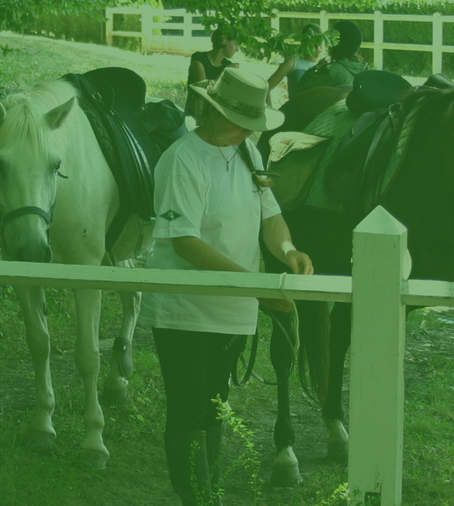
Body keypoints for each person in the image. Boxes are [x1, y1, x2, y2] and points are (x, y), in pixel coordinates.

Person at [145, 67, 314, 506]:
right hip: (185, 308)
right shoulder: (182, 160)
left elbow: (269, 215)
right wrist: (257, 288)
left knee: (215, 405)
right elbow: (186, 243)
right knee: (189, 407)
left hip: (232, 306)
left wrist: (288, 250)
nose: (246, 131)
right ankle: (195, 499)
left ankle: (209, 495)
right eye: (239, 122)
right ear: (210, 109)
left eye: (252, 124)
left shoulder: (249, 154)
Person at [186, 27, 241, 122]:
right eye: (235, 44)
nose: (237, 49)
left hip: (214, 116)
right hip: (194, 115)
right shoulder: (198, 58)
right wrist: (225, 72)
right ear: (225, 41)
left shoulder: (227, 65)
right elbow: (202, 89)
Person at [298, 20, 368, 91]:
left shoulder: (331, 71)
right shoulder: (365, 69)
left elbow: (302, 87)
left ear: (335, 43)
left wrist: (317, 67)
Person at [266, 24, 328, 102]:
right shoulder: (292, 62)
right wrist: (270, 109)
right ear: (303, 42)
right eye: (312, 42)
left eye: (318, 42)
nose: (317, 46)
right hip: (294, 112)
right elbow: (266, 88)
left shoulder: (327, 65)